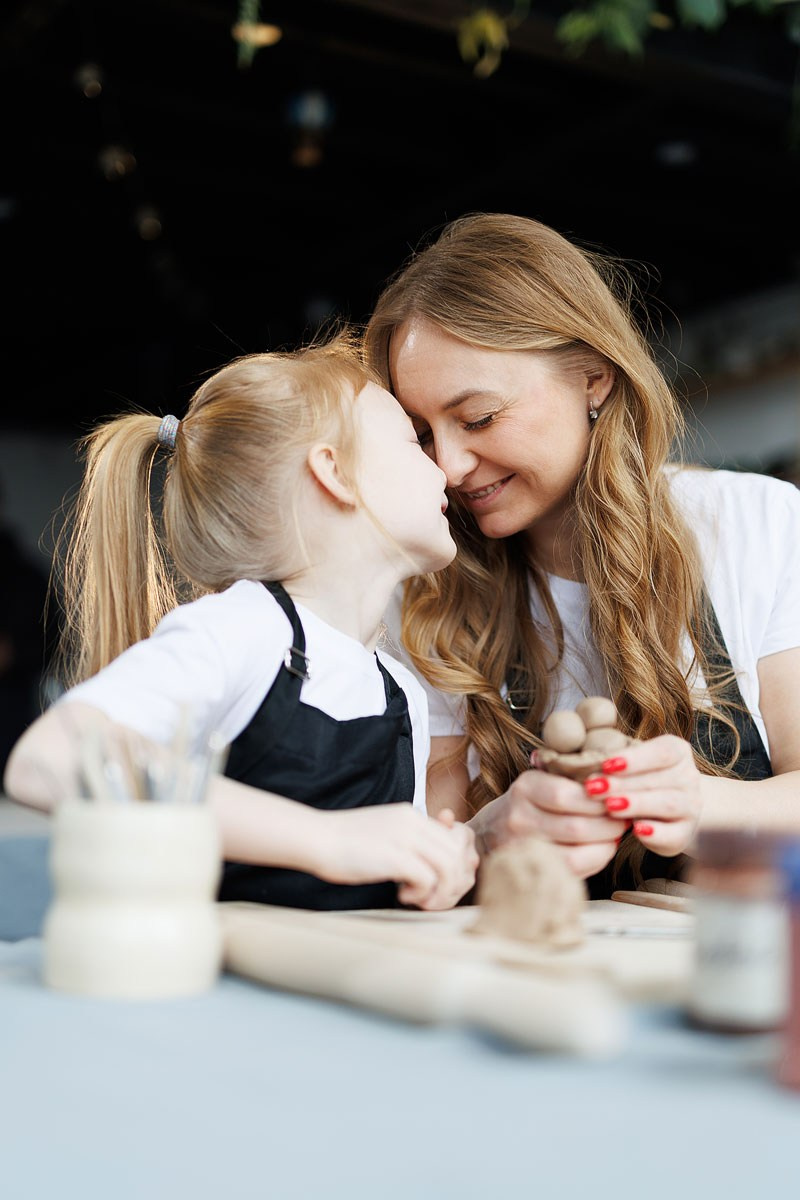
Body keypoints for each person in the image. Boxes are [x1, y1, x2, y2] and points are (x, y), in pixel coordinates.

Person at [363, 212, 800, 897]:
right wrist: (489, 834)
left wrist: (702, 803)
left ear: (593, 377)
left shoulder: (756, 525)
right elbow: (417, 863)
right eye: (421, 433)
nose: (447, 466)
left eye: (478, 418)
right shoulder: (423, 588)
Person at [4, 334, 478, 911]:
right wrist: (328, 840)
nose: (443, 469)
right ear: (335, 473)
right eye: (413, 441)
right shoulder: (244, 627)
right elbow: (47, 759)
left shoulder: (401, 692)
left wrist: (440, 865)